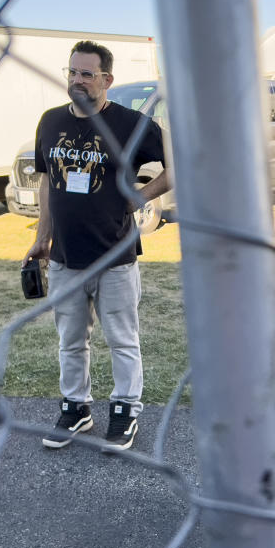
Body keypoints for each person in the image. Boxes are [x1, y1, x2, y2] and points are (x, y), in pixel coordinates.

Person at [23, 40, 169, 452]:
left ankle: (125, 409)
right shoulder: (50, 122)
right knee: (70, 339)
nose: (77, 80)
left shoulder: (130, 123)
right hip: (65, 256)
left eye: (87, 74)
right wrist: (41, 238)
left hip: (115, 255)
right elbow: (49, 182)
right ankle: (76, 407)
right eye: (72, 72)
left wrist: (140, 195)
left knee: (122, 339)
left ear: (107, 79)